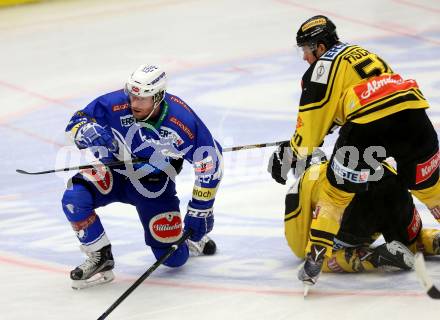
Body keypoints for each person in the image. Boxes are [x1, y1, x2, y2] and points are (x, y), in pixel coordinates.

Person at [268, 15, 440, 286]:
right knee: (430, 187)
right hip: (414, 117)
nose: (304, 57)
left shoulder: (320, 69)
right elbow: (376, 96)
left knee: (335, 193)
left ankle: (317, 257)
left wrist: (290, 151)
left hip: (368, 127)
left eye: (305, 49)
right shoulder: (362, 53)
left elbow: (309, 131)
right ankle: (427, 238)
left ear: (320, 47)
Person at [61, 64, 223, 289]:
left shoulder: (180, 120)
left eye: (142, 99)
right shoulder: (115, 103)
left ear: (158, 97)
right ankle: (100, 256)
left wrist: (201, 208)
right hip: (113, 172)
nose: (133, 103)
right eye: (132, 96)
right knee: (74, 198)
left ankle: (189, 240)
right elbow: (76, 121)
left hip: (154, 186)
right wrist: (85, 130)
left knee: (174, 260)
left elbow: (209, 161)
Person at [284, 159, 440, 276]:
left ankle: (371, 257)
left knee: (316, 256)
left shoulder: (304, 181)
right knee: (410, 245)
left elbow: (298, 245)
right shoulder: (348, 158)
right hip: (394, 186)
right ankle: (431, 241)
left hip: (356, 209)